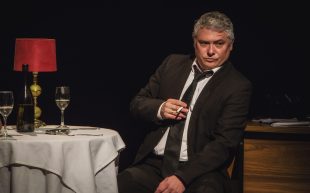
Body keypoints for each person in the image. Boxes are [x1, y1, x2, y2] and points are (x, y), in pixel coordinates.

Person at [118, 11, 252, 193]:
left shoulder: (237, 86)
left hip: (201, 171)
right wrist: (160, 108)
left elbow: (224, 144)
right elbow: (137, 103)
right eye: (204, 43)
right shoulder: (172, 64)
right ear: (195, 43)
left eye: (219, 44)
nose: (211, 51)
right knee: (119, 184)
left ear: (230, 46)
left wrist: (182, 176)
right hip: (155, 164)